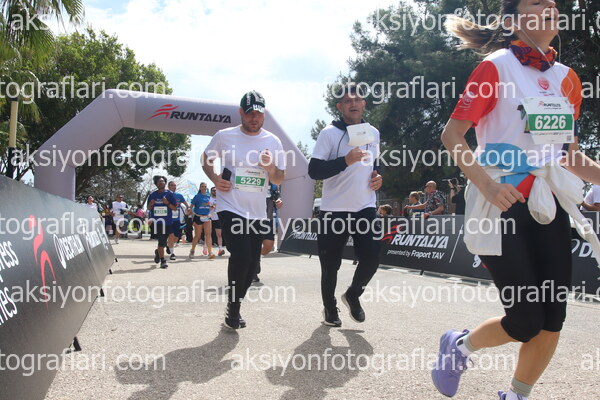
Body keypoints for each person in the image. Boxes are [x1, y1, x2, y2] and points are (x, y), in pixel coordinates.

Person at [431, 2, 600, 400]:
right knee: (525, 320)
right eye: (537, 1)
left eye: (553, 2)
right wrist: (487, 186)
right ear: (513, 21)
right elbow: (452, 136)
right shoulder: (495, 67)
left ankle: (516, 395)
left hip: (549, 204)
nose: (551, 5)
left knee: (552, 318)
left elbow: (569, 155)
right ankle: (459, 346)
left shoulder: (568, 78)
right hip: (501, 204)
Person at [201, 90, 285, 329]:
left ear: (264, 114)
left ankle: (234, 302)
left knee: (252, 265)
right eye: (249, 113)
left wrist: (270, 169)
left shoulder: (273, 141)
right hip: (230, 206)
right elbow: (206, 159)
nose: (254, 118)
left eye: (258, 113)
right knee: (242, 256)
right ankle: (234, 309)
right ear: (241, 113)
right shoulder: (224, 136)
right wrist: (215, 179)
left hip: (257, 211)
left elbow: (279, 178)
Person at [308, 83, 383, 327]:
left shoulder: (373, 132)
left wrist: (379, 177)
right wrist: (344, 161)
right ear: (340, 107)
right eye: (348, 101)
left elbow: (375, 164)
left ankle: (353, 294)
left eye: (357, 100)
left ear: (364, 104)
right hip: (334, 210)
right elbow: (314, 170)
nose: (353, 104)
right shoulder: (329, 133)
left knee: (372, 257)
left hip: (365, 207)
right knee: (330, 265)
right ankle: (330, 309)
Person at [253, 183, 284, 283]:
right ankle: (253, 268)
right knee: (254, 244)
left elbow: (277, 195)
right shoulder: (252, 178)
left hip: (268, 218)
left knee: (268, 246)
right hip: (252, 217)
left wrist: (279, 200)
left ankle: (256, 257)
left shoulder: (272, 181)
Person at [147, 176, 177, 269]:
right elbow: (148, 208)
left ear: (165, 183)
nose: (161, 183)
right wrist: (151, 204)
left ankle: (158, 252)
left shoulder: (170, 194)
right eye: (159, 181)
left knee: (169, 238)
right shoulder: (152, 195)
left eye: (163, 181)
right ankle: (163, 261)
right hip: (158, 222)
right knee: (161, 241)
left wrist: (167, 202)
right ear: (156, 184)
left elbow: (175, 208)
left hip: (168, 221)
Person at [189, 183, 216, 260]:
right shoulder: (197, 196)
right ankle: (192, 250)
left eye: (205, 187)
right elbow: (191, 206)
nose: (204, 188)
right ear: (200, 188)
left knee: (208, 234)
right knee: (197, 235)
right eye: (202, 187)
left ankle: (210, 252)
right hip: (198, 217)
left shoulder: (209, 197)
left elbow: (210, 206)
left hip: (207, 217)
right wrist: (190, 210)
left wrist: (212, 207)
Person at [167, 181, 190, 260]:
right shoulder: (166, 195)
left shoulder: (179, 195)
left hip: (177, 219)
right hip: (168, 219)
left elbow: (186, 204)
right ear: (168, 187)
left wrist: (188, 208)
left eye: (175, 185)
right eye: (172, 185)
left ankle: (169, 246)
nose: (174, 187)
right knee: (171, 235)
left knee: (176, 237)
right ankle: (172, 253)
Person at [208, 186, 225, 256]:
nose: (215, 192)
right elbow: (207, 208)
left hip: (218, 218)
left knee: (219, 234)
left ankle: (220, 249)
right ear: (211, 192)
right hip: (210, 218)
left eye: (216, 190)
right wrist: (212, 206)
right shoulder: (209, 199)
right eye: (213, 191)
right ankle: (206, 247)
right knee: (208, 234)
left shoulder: (220, 199)